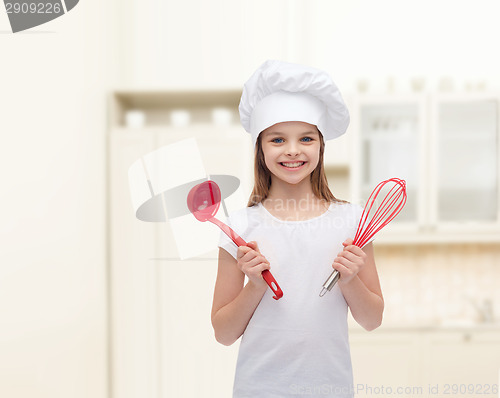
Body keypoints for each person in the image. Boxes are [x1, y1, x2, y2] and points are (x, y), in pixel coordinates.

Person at [211, 60, 384, 398]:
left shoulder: (353, 222)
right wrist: (255, 285)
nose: (292, 150)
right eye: (277, 139)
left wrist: (349, 281)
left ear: (321, 146)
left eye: (306, 138)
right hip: (258, 389)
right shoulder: (239, 227)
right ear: (260, 148)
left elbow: (372, 319)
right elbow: (223, 332)